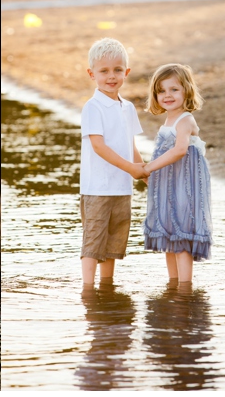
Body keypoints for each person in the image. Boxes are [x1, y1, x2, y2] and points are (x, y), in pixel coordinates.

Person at [79, 37, 148, 285]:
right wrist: (131, 169)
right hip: (97, 188)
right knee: (94, 242)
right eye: (104, 71)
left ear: (126, 72)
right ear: (92, 74)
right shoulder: (93, 107)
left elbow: (129, 145)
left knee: (114, 240)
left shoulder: (127, 108)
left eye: (117, 70)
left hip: (121, 188)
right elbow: (98, 146)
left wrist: (144, 171)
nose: (111, 76)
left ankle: (107, 287)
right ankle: (88, 290)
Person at [141, 63, 213, 283]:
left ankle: (184, 289)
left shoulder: (186, 119)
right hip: (168, 185)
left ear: (186, 90)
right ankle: (173, 284)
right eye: (161, 91)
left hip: (185, 186)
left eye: (174, 89)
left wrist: (147, 168)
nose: (167, 95)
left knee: (181, 232)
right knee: (169, 233)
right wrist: (153, 177)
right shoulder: (168, 120)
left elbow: (180, 150)